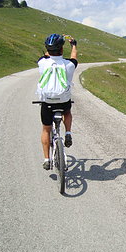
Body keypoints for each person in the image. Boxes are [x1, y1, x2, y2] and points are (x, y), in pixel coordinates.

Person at [37, 33, 78, 170]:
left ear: (48, 50)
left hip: (47, 101)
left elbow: (46, 56)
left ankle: (47, 159)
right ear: (61, 49)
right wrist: (73, 45)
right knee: (67, 112)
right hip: (63, 100)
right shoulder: (69, 65)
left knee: (46, 129)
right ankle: (68, 133)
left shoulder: (42, 63)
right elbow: (74, 57)